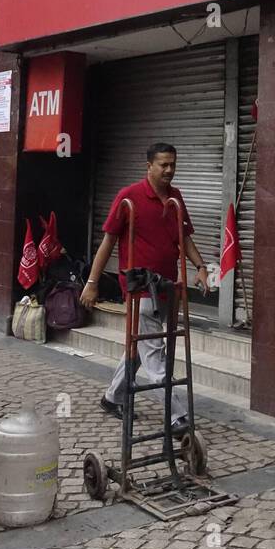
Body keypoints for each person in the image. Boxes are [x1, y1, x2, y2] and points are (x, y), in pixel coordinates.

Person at [80, 143, 210, 426]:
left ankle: (112, 397)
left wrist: (200, 267)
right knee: (154, 352)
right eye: (163, 164)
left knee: (140, 348)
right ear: (149, 166)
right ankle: (179, 416)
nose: (169, 170)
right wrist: (92, 283)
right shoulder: (129, 197)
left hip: (168, 286)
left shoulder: (176, 197)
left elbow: (184, 237)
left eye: (173, 164)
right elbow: (108, 241)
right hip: (140, 288)